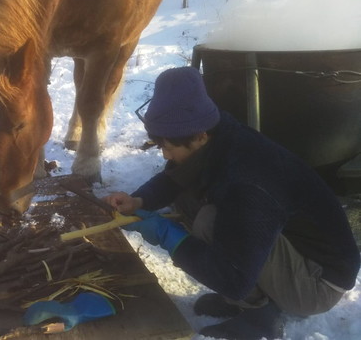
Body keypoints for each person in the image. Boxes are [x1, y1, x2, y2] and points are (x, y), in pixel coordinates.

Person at [104, 67, 360, 339]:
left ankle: (258, 318)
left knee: (210, 221)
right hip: (298, 250)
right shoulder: (219, 133)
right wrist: (139, 200)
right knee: (190, 200)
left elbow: (233, 278)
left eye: (169, 147)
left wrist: (169, 236)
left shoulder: (246, 181)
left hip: (318, 283)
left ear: (200, 135)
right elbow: (176, 177)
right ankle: (257, 296)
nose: (165, 154)